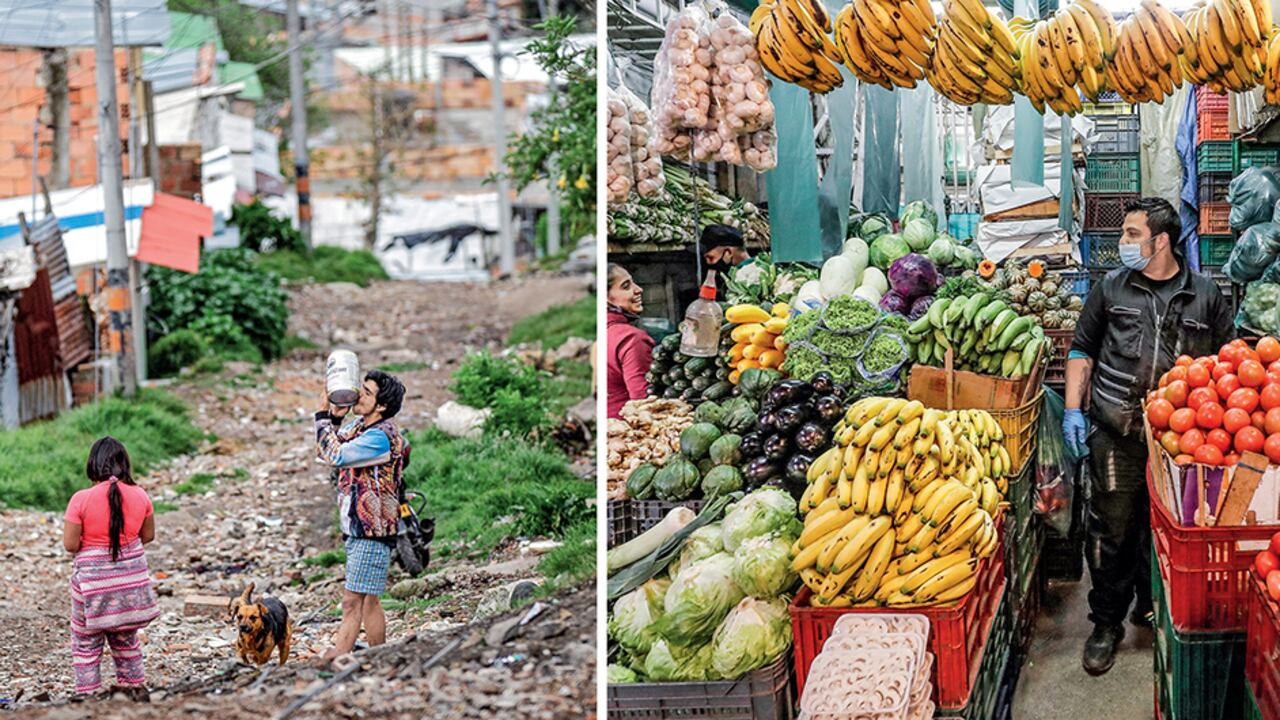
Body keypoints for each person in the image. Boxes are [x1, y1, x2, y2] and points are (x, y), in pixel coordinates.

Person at [1064, 197, 1233, 676]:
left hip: (1180, 444)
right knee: (1112, 528)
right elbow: (1081, 348)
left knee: (1163, 528)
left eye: (1132, 234)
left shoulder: (1205, 295)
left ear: (1161, 241)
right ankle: (1105, 623)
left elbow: (1227, 365)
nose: (1123, 243)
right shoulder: (1112, 288)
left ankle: (1148, 602)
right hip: (1116, 429)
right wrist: (1074, 411)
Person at [314, 369, 409, 667]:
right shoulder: (361, 426)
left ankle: (339, 659)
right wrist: (336, 417)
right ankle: (379, 654)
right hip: (359, 526)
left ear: (381, 406)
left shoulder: (381, 437)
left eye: (366, 393)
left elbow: (336, 456)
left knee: (351, 601)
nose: (358, 395)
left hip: (372, 529)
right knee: (370, 600)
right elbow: (326, 450)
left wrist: (320, 415)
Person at [63, 437, 160, 699]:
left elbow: (70, 545)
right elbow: (147, 536)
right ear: (124, 465)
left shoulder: (80, 499)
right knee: (127, 642)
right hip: (129, 586)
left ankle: (89, 698)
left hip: (91, 587)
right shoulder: (141, 495)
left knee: (85, 644)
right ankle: (133, 693)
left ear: (93, 465)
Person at [607, 263, 655, 419]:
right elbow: (643, 404)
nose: (638, 289)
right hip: (625, 430)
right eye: (626, 286)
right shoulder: (632, 339)